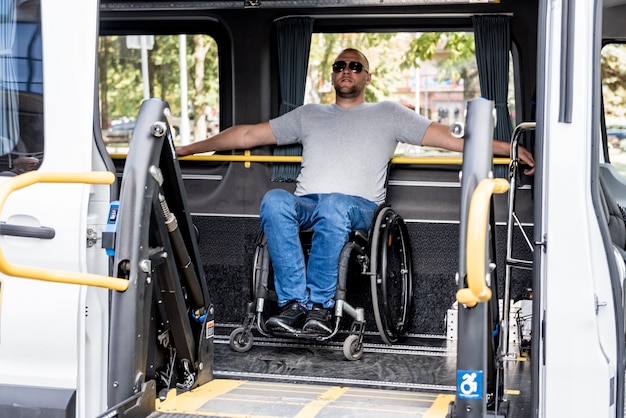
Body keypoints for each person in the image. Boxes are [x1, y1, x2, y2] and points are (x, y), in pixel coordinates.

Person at [176, 48, 535, 336]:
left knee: (333, 205)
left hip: (361, 207)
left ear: (366, 76)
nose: (346, 70)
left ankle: (320, 306)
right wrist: (186, 150)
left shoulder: (389, 113)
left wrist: (510, 148)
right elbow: (247, 136)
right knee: (274, 200)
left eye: (354, 66)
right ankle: (294, 304)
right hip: (309, 202)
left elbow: (452, 139)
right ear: (332, 75)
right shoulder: (309, 114)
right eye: (339, 66)